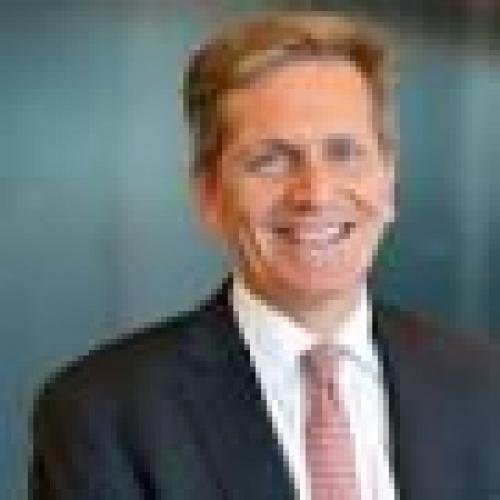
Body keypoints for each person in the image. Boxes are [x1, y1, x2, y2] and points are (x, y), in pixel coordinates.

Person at [30, 12, 500, 500]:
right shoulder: (103, 414)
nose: (315, 193)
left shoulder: (485, 387)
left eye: (343, 152)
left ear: (389, 181)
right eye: (271, 160)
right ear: (209, 196)